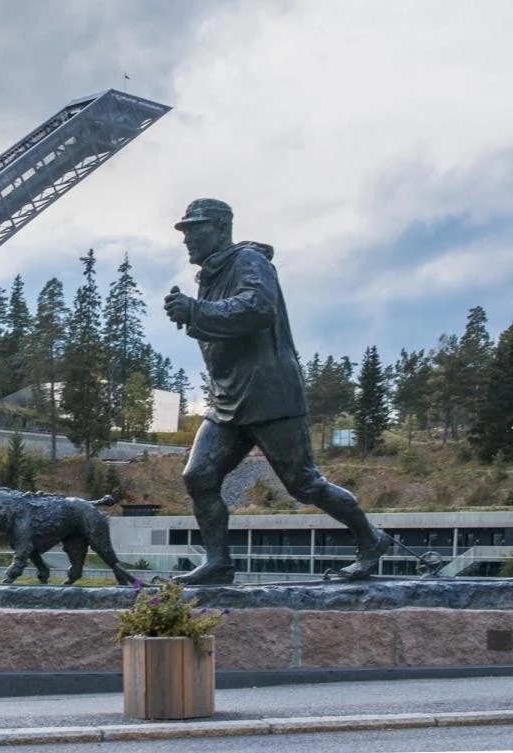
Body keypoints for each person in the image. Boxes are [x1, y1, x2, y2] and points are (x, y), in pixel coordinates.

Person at [163, 198, 390, 584]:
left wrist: (195, 312)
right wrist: (192, 312)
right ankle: (219, 562)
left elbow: (257, 308)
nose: (187, 240)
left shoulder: (249, 262)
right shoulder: (211, 275)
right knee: (199, 475)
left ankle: (370, 540)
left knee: (304, 484)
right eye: (185, 232)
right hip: (227, 399)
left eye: (195, 231)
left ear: (220, 230)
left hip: (270, 394)